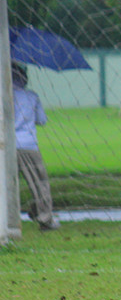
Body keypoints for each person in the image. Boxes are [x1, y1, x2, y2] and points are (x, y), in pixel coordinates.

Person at [12, 62, 60, 231]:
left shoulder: (3, 95)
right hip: (28, 145)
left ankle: (7, 221)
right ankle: (45, 219)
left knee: (7, 184)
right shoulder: (31, 96)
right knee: (39, 183)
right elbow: (42, 120)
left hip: (5, 146)